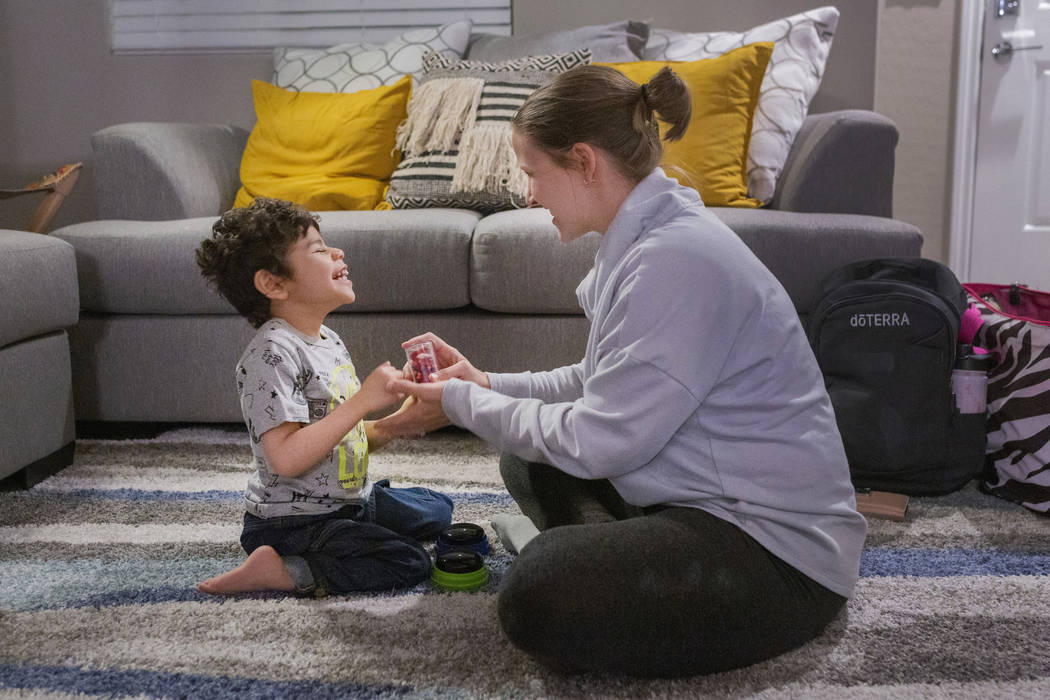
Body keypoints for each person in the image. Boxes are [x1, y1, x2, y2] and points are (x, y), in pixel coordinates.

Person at [386, 65, 868, 677]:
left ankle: (591, 565)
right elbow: (598, 382)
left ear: (584, 162)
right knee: (526, 455)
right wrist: (484, 385)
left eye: (534, 173)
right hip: (695, 500)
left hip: (776, 554)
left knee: (539, 592)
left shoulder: (676, 261)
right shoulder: (648, 241)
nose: (529, 195)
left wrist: (457, 404)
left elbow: (599, 441)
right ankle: (614, 563)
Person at [194, 197, 453, 597]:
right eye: (318, 249)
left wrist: (400, 418)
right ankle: (286, 568)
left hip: (344, 499)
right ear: (274, 284)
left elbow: (340, 434)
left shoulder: (327, 340)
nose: (338, 252)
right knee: (409, 561)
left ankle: (357, 524)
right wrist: (363, 400)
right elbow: (286, 460)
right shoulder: (272, 353)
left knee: (439, 508)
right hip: (296, 522)